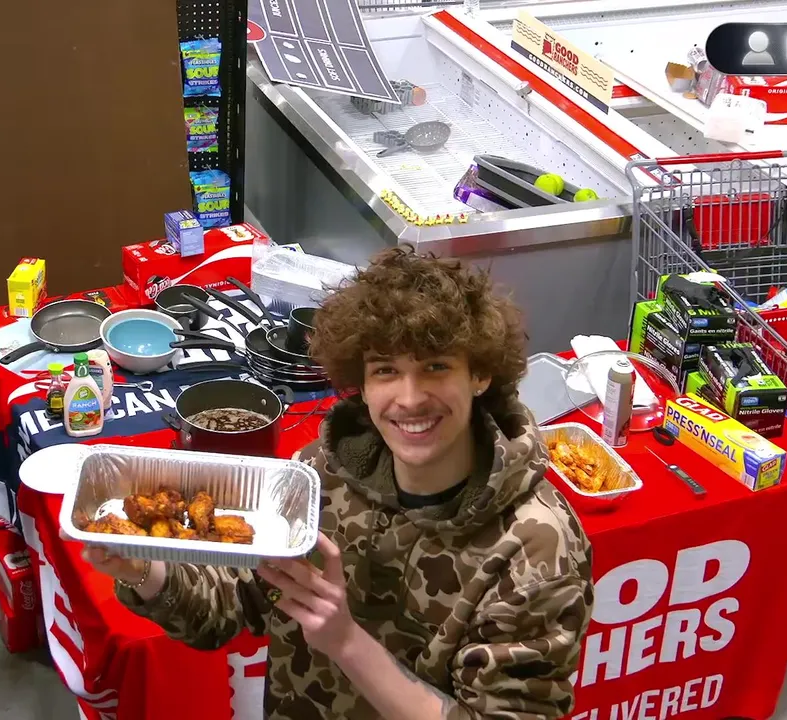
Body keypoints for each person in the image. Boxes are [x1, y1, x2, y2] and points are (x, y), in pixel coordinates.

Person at [80, 247, 594, 719]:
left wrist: (347, 643)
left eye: (436, 368)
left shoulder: (536, 548)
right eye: (386, 370)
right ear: (361, 385)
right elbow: (232, 606)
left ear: (479, 375)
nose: (409, 398)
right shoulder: (325, 473)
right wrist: (142, 569)